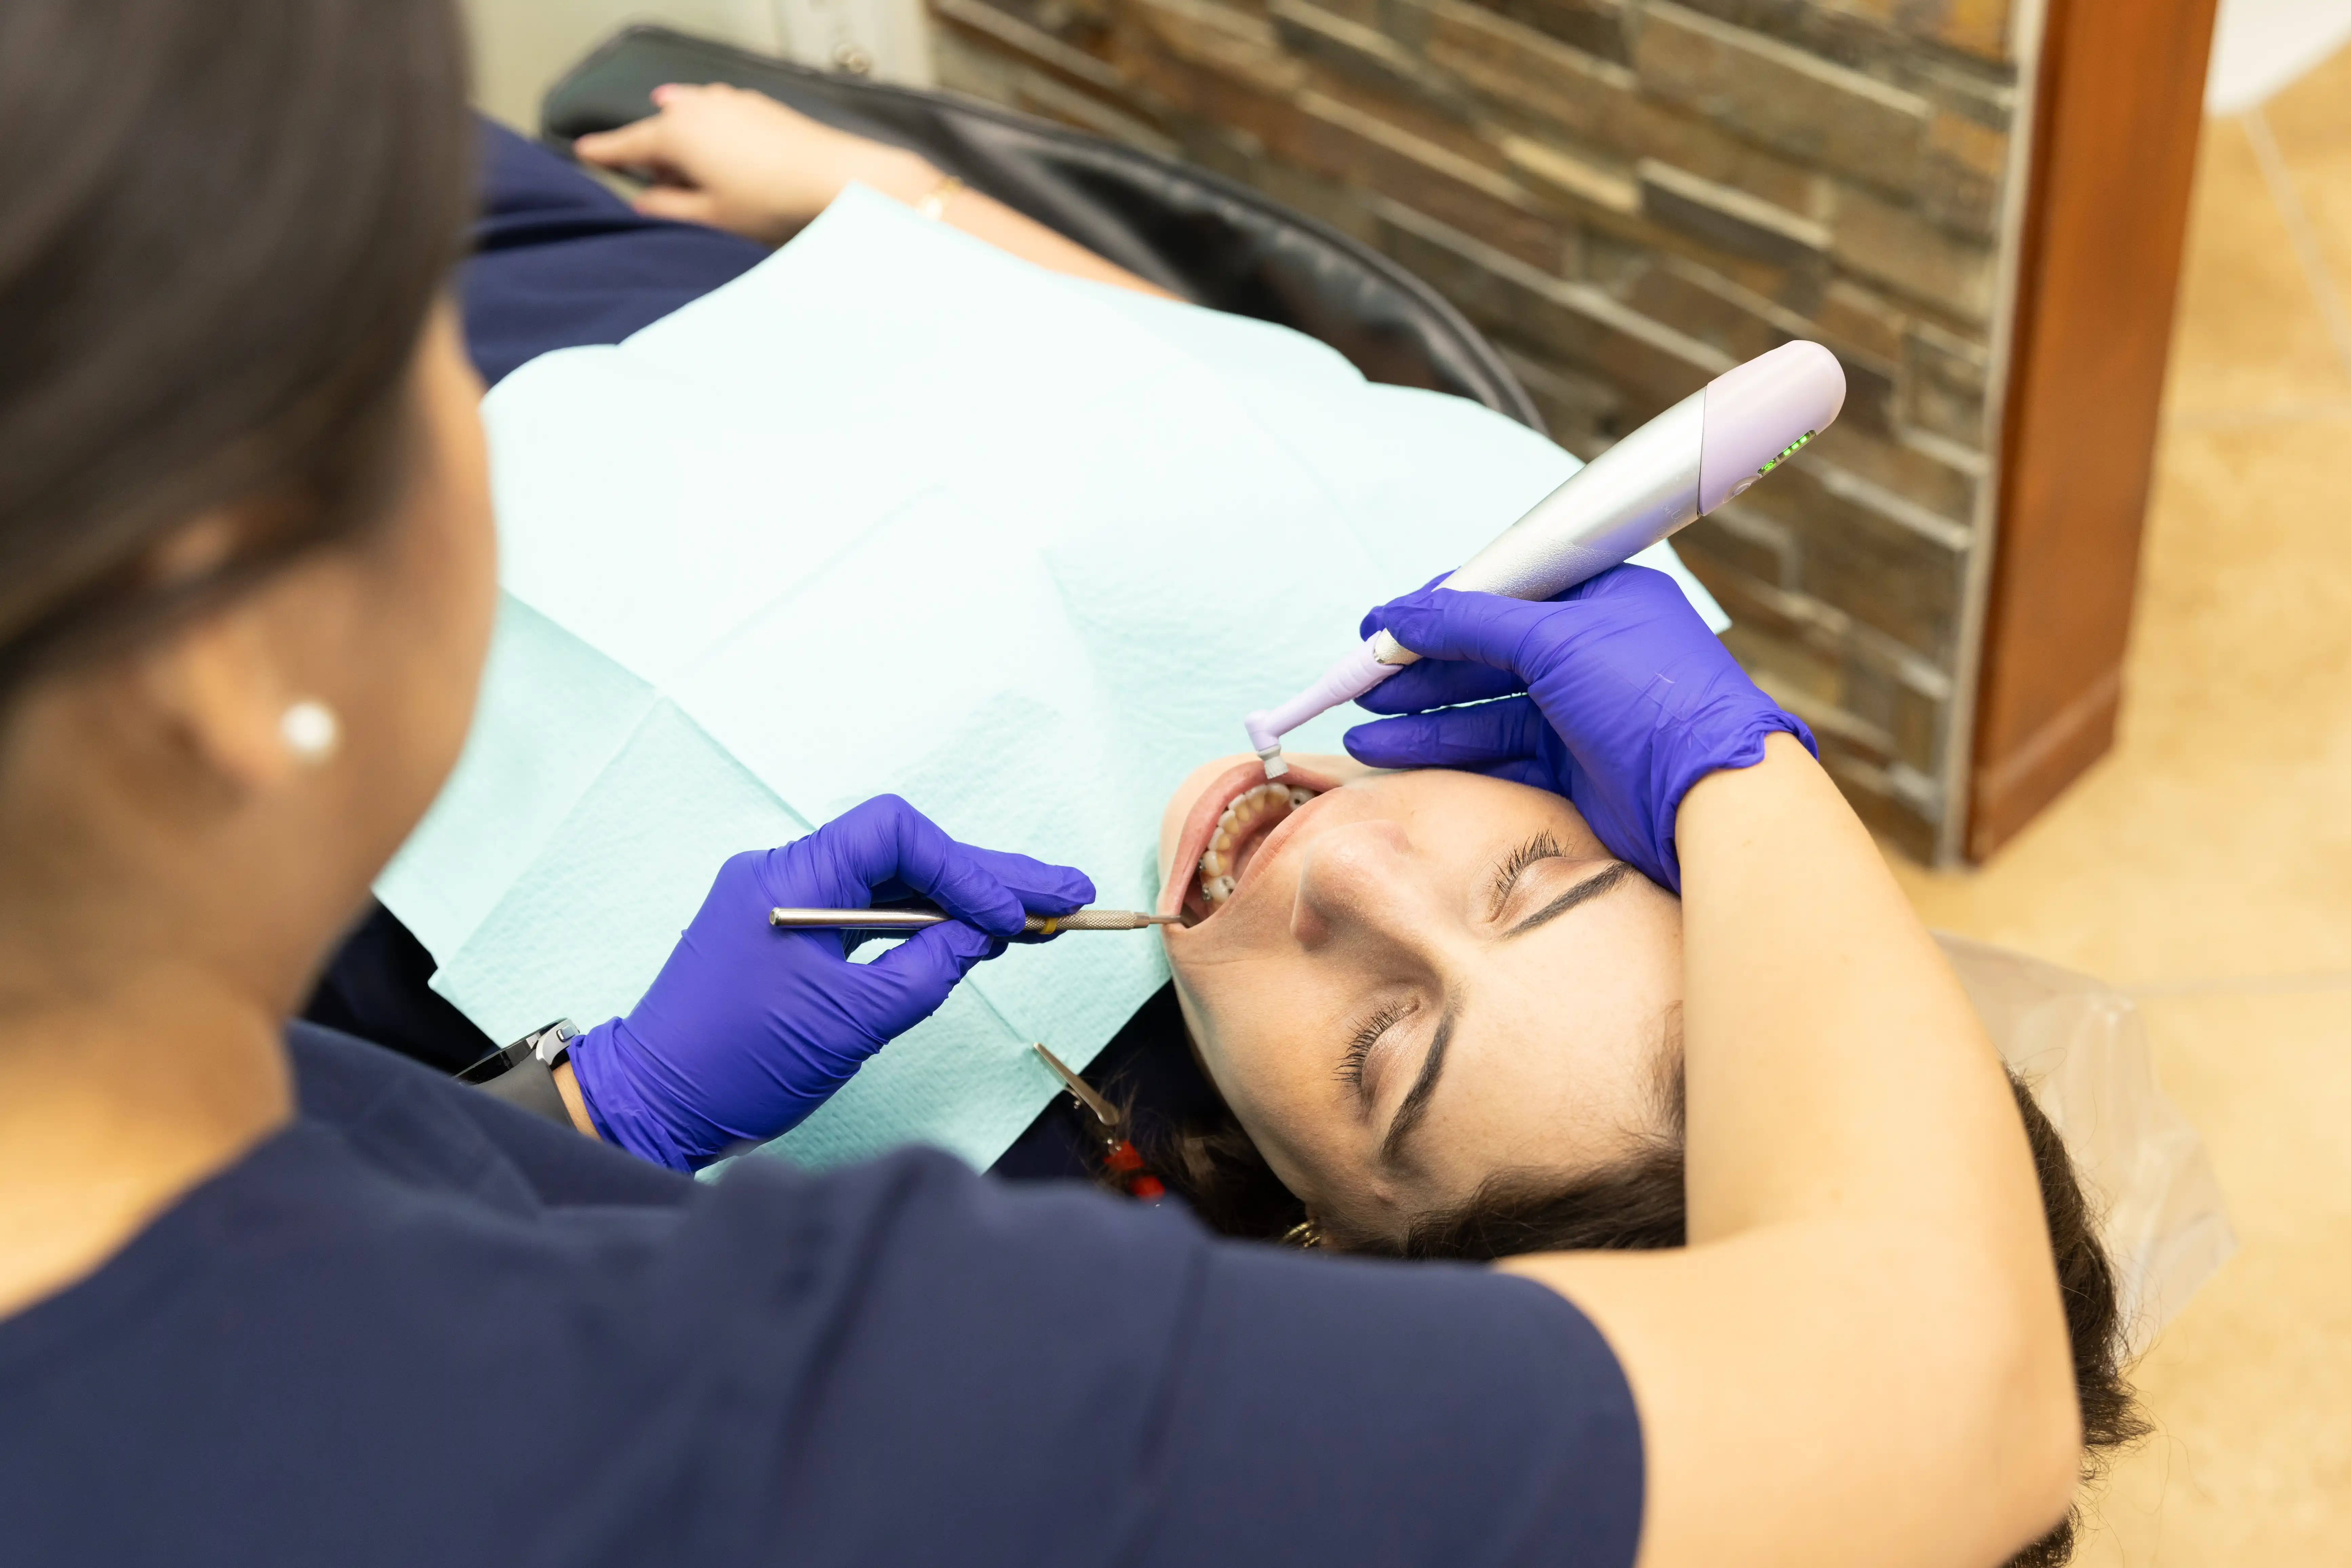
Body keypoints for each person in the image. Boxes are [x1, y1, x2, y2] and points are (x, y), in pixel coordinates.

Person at [0, 6, 2084, 1567]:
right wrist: (882, 205)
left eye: (1384, 1052)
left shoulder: (923, 1386)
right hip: (641, 274)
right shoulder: (1521, 591)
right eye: (1535, 869)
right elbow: (1232, 384)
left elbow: (1948, 1406)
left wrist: (597, 1114)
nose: (1353, 865)